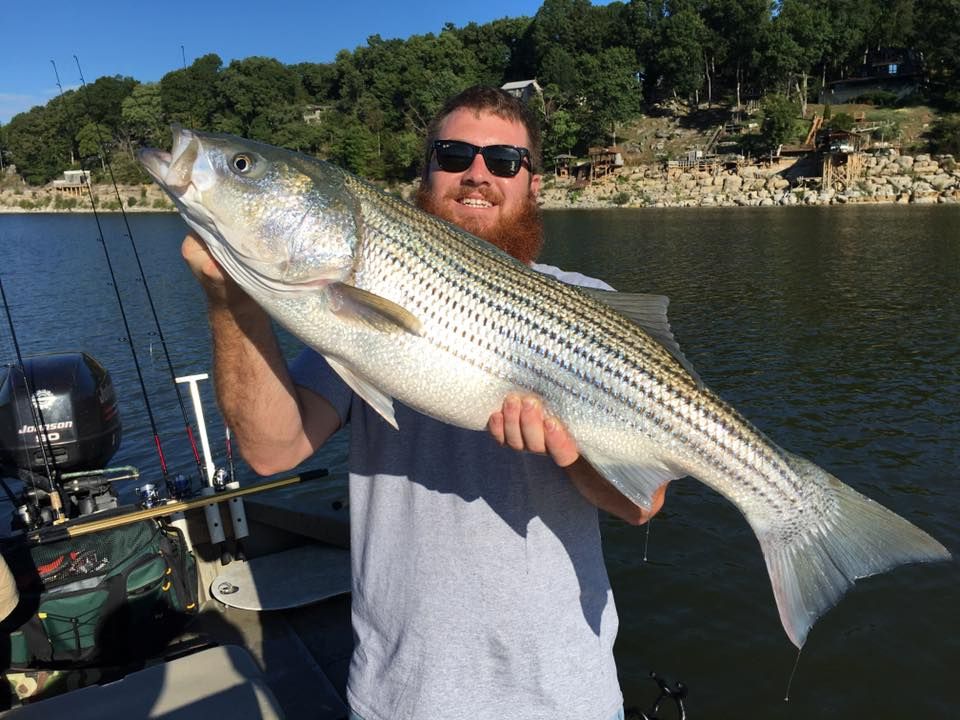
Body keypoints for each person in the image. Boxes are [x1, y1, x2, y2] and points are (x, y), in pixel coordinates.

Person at [182, 86, 667, 720]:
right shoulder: (339, 301)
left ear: (533, 184)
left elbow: (642, 503)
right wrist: (232, 299)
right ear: (426, 172)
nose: (477, 174)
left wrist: (570, 455)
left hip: (564, 696)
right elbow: (273, 450)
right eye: (455, 153)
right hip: (400, 696)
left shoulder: (586, 303)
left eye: (504, 161)